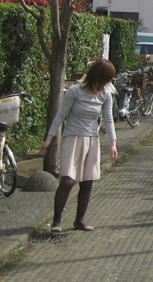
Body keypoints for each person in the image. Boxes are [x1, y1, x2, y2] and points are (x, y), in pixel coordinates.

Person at [40, 59, 119, 233]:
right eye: (107, 78)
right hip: (72, 138)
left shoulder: (105, 95)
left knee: (88, 181)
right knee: (68, 180)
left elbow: (108, 119)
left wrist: (113, 143)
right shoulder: (75, 91)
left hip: (92, 139)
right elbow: (60, 115)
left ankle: (79, 220)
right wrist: (48, 139)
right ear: (98, 76)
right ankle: (57, 221)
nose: (108, 83)